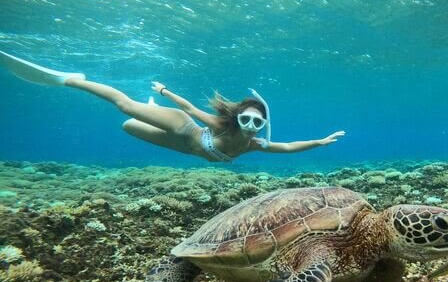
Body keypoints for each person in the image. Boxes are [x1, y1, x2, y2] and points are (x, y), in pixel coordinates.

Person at [0, 51, 345, 162]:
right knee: (125, 107)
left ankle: (147, 106)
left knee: (128, 128)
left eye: (257, 122)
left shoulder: (254, 145)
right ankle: (72, 80)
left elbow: (286, 146)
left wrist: (319, 141)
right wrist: (165, 91)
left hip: (183, 148)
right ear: (237, 116)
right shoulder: (219, 124)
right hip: (184, 128)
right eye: (246, 118)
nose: (251, 126)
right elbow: (190, 108)